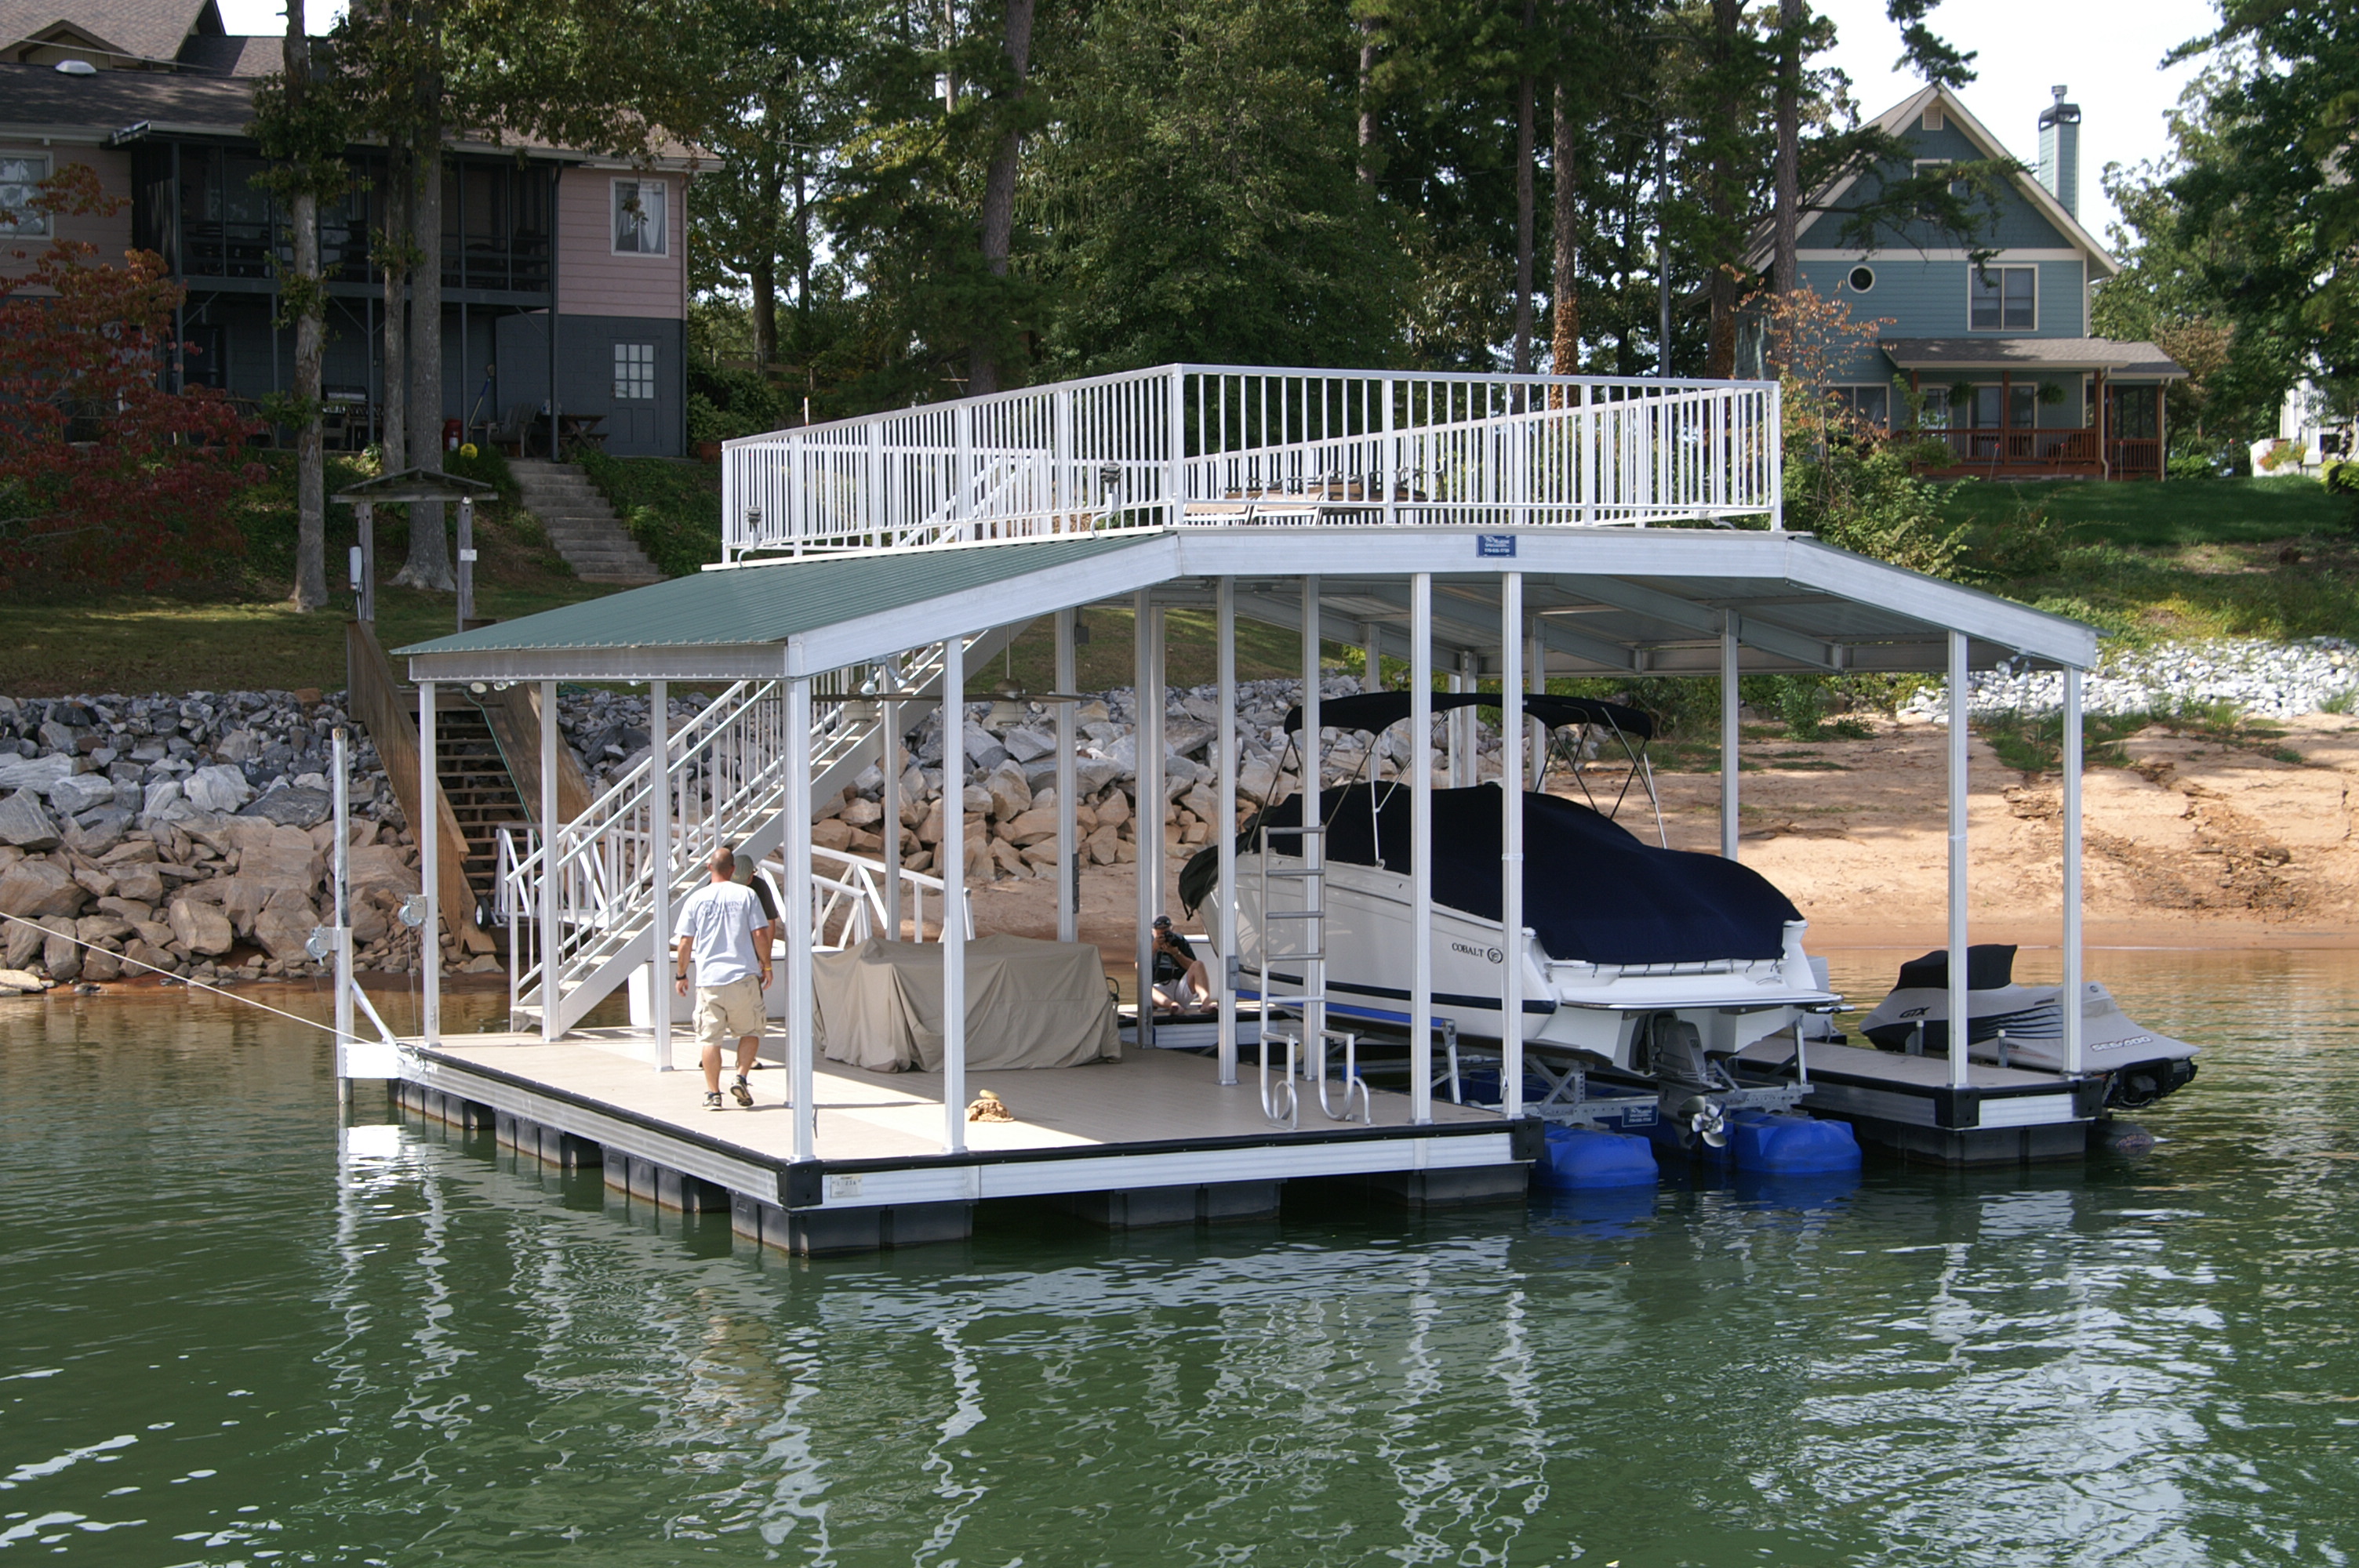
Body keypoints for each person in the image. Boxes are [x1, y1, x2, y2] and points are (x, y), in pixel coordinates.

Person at [674, 845, 772, 1111]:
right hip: (743, 977)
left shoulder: (696, 899)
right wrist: (767, 965)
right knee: (751, 1031)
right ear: (733, 870)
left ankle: (713, 1094)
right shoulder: (747, 895)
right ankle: (740, 1076)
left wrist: (681, 974)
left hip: (709, 980)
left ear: (709, 869)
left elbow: (685, 943)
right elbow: (760, 934)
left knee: (710, 1039)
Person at [1150, 914, 1209, 1012]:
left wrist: (1176, 953)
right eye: (1159, 930)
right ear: (1153, 931)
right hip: (1159, 991)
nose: (1163, 933)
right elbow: (1139, 968)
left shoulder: (1178, 940)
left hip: (1181, 988)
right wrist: (1154, 948)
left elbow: (1192, 966)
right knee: (1145, 987)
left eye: (1166, 929)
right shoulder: (1148, 942)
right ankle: (1173, 1006)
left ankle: (1206, 1003)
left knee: (1198, 964)